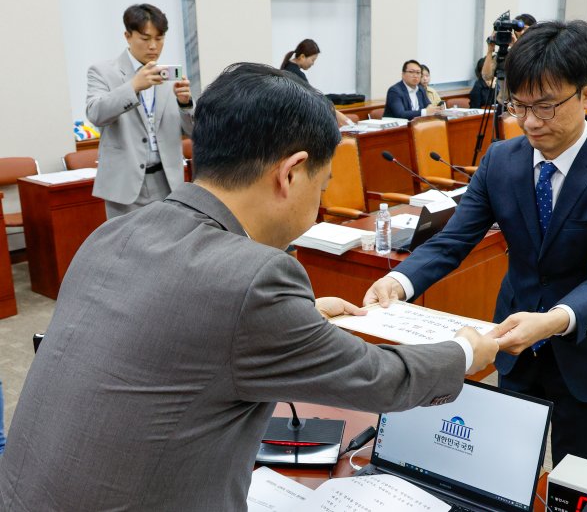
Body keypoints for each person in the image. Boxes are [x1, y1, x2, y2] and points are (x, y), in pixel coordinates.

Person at [0, 63, 500, 511]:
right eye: (321, 187)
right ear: (291, 173)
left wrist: (297, 316)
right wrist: (466, 350)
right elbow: (381, 380)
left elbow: (176, 327)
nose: (317, 202)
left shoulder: (115, 231)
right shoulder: (254, 277)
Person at [363, 20, 587, 467]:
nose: (530, 123)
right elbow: (453, 241)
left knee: (574, 477)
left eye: (546, 107)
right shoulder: (501, 159)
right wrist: (400, 282)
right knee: (506, 467)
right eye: (519, 106)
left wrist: (554, 320)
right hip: (513, 345)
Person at [87, 4, 194, 219]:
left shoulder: (168, 76)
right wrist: (133, 86)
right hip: (125, 185)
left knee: (170, 245)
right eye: (145, 39)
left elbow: (194, 131)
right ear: (128, 36)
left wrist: (185, 103)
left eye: (160, 38)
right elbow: (96, 114)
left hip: (168, 182)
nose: (153, 46)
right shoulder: (103, 71)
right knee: (127, 248)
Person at [281, 39, 353, 127]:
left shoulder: (287, 68)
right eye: (312, 60)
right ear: (302, 57)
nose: (313, 64)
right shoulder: (296, 74)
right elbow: (313, 99)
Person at [481, 13, 537, 84]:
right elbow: (486, 76)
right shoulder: (506, 53)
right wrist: (490, 50)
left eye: (525, 29)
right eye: (519, 29)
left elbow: (527, 74)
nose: (522, 32)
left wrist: (516, 48)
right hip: (503, 95)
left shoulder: (538, 52)